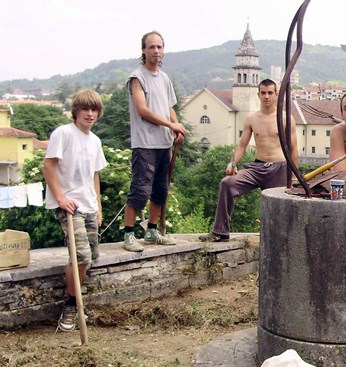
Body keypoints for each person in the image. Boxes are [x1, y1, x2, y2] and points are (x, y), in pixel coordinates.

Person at [200, 79, 299, 242]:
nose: (266, 96)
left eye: (270, 93)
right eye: (263, 93)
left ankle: (281, 239)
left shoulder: (286, 118)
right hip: (257, 167)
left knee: (279, 205)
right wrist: (232, 162)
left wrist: (294, 177)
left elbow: (293, 150)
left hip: (279, 168)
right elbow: (241, 146)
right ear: (258, 95)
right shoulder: (252, 118)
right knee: (228, 183)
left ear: (276, 95)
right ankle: (220, 231)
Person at [43, 89, 108, 331]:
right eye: (85, 109)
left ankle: (77, 301)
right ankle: (71, 307)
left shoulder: (95, 141)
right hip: (70, 206)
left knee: (89, 259)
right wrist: (61, 198)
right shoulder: (63, 133)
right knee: (81, 256)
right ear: (76, 111)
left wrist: (99, 207)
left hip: (90, 205)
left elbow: (95, 176)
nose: (90, 114)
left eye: (94, 110)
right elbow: (48, 167)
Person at [122, 31, 187, 252]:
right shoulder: (137, 78)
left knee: (161, 190)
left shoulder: (164, 78)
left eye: (159, 47)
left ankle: (151, 231)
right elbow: (143, 110)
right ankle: (129, 233)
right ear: (143, 50)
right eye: (151, 47)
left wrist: (177, 126)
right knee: (140, 190)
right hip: (145, 144)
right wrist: (171, 125)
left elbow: (169, 108)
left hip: (164, 144)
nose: (156, 51)